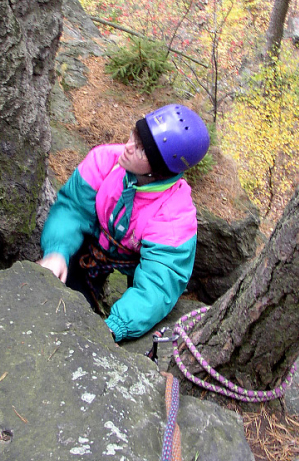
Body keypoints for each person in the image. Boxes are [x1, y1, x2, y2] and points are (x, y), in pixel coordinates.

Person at [39, 103, 210, 342]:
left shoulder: (174, 218)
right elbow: (73, 209)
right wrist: (57, 250)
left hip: (135, 260)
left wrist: (116, 325)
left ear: (158, 172)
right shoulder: (105, 160)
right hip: (94, 244)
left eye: (141, 149)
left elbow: (157, 285)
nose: (127, 147)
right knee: (65, 292)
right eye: (134, 135)